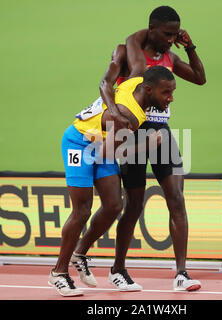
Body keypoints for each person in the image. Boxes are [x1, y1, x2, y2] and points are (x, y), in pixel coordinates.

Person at [70, 6, 206, 292]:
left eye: (175, 34)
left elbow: (199, 77)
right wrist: (116, 114)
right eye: (167, 33)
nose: (171, 39)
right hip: (131, 133)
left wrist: (190, 45)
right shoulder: (127, 50)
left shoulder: (170, 57)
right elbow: (106, 81)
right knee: (133, 205)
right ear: (151, 29)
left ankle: (181, 273)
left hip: (162, 133)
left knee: (177, 197)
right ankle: (117, 268)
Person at [48, 66, 177, 297]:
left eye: (172, 92)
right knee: (82, 211)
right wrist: (150, 144)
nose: (171, 98)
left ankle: (80, 253)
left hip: (102, 142)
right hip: (80, 142)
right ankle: (59, 273)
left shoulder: (136, 82)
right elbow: (110, 154)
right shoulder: (130, 117)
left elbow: (108, 82)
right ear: (148, 89)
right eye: (166, 93)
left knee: (114, 205)